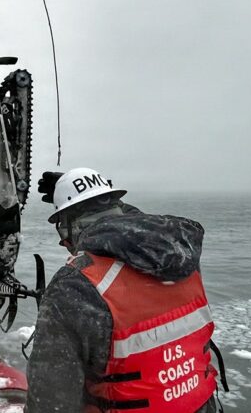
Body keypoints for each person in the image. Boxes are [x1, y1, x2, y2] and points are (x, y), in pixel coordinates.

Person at [26, 168, 226, 413]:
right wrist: (85, 192)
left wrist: (79, 196)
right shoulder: (178, 254)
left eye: (62, 231)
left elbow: (50, 399)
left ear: (69, 228)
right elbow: (132, 230)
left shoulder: (75, 286)